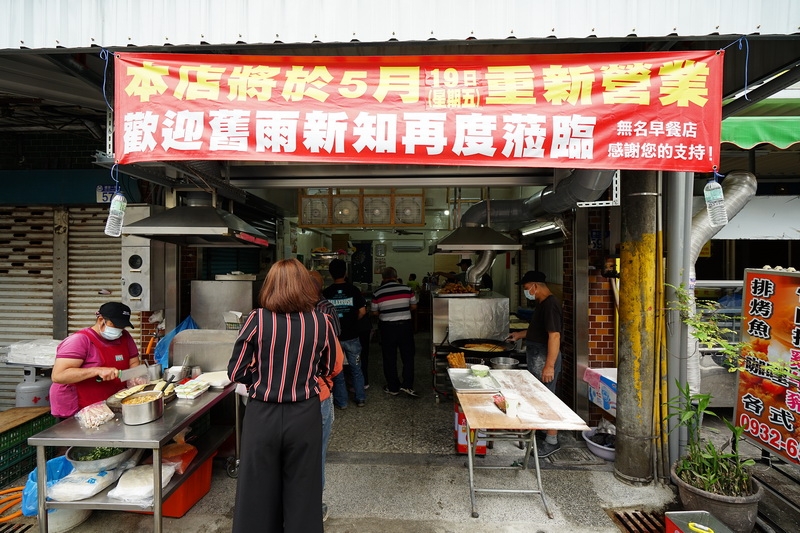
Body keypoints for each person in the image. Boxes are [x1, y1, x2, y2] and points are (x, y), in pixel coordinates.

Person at [228, 259, 337, 533]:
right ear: (305, 286)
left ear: (270, 286)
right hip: (305, 414)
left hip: (262, 414)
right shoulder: (321, 321)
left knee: (256, 490)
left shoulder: (257, 319)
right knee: (304, 489)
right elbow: (329, 367)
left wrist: (261, 381)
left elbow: (236, 371)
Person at [50, 302, 141, 418]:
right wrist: (97, 371)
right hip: (79, 408)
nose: (119, 330)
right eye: (115, 325)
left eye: (122, 326)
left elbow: (133, 363)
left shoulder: (125, 337)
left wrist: (134, 379)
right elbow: (58, 376)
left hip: (108, 405)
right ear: (100, 320)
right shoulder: (80, 340)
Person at [507, 271, 563, 458]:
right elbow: (538, 330)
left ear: (535, 286)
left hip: (544, 358)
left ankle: (552, 441)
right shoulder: (542, 304)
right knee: (540, 396)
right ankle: (543, 430)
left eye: (526, 288)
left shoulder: (550, 305)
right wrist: (520, 335)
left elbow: (554, 335)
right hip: (537, 355)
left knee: (548, 398)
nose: (526, 292)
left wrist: (549, 365)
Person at [309, 270, 344, 522]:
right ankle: (312, 507)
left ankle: (281, 504)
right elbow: (335, 363)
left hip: (273, 403)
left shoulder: (261, 318)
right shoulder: (323, 316)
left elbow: (240, 370)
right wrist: (325, 382)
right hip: (317, 395)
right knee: (316, 452)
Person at [323, 258, 367, 408]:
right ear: (346, 272)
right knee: (356, 368)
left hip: (334, 338)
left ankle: (342, 402)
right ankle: (360, 398)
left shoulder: (326, 292)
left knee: (338, 370)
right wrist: (352, 320)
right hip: (352, 335)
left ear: (330, 274)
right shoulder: (353, 290)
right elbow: (362, 311)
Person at [371, 266, 419, 398]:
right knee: (408, 357)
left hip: (387, 328)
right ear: (396, 276)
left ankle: (393, 387)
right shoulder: (407, 289)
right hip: (405, 327)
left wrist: (385, 311)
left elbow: (374, 312)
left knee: (389, 358)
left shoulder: (377, 292)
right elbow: (414, 306)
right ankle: (407, 385)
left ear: (383, 278)